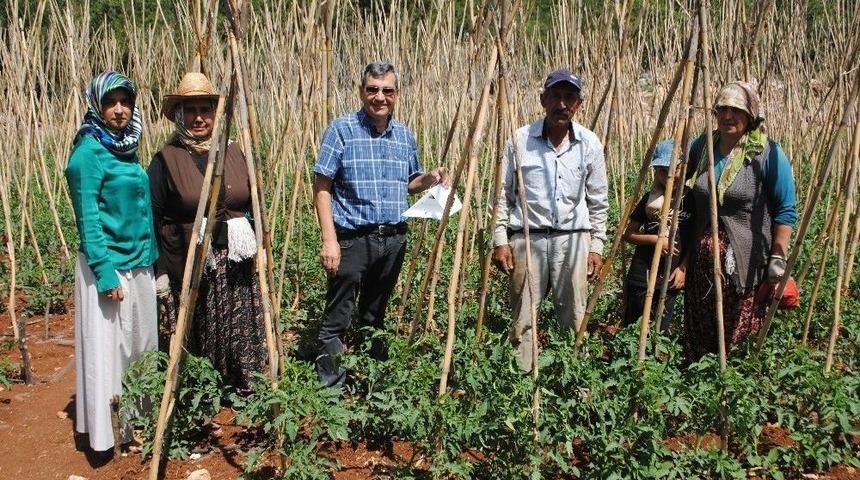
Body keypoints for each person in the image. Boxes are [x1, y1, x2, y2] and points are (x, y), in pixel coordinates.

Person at [313, 61, 448, 388]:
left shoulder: (404, 136)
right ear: (361, 91)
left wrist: (430, 178)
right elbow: (321, 186)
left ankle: (372, 383)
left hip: (393, 241)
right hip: (352, 240)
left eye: (387, 90)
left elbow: (410, 182)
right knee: (337, 318)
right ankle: (330, 392)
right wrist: (329, 240)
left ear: (396, 94)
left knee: (375, 315)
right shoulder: (341, 130)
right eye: (372, 89)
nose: (379, 97)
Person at [147, 72, 267, 392]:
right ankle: (202, 393)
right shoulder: (165, 160)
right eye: (190, 110)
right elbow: (153, 219)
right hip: (190, 262)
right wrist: (158, 270)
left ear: (216, 114)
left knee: (238, 326)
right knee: (199, 329)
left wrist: (261, 245)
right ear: (179, 115)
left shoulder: (234, 150)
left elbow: (253, 204)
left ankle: (243, 388)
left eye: (206, 109)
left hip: (236, 260)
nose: (199, 117)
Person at [65, 70, 159, 453]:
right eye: (111, 102)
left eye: (126, 102)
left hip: (138, 262)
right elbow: (87, 218)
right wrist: (105, 274)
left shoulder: (127, 146)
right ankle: (108, 432)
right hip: (109, 267)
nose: (119, 110)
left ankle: (138, 423)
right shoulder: (88, 152)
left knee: (141, 345)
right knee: (110, 349)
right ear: (97, 105)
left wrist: (154, 262)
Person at [491, 68, 609, 371]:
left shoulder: (590, 144)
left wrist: (596, 247)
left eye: (570, 98)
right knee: (523, 318)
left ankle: (573, 382)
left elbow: (598, 202)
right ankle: (522, 382)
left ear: (579, 104)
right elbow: (503, 194)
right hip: (527, 239)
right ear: (543, 100)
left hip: (573, 239)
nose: (562, 104)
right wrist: (500, 240)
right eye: (555, 96)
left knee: (574, 317)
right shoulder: (519, 140)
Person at [683, 81, 797, 360]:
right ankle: (698, 381)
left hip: (745, 266)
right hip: (702, 268)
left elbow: (785, 209)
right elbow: (680, 187)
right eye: (722, 109)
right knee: (700, 328)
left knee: (738, 334)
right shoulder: (703, 146)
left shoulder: (767, 152)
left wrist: (777, 259)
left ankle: (733, 385)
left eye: (736, 110)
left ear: (750, 115)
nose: (727, 116)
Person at [621, 139, 695, 332]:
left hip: (670, 278)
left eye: (674, 169)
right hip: (642, 275)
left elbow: (695, 239)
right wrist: (655, 240)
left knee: (660, 329)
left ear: (685, 168)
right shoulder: (650, 200)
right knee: (632, 327)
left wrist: (683, 268)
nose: (669, 176)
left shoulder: (692, 200)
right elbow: (628, 234)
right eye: (662, 170)